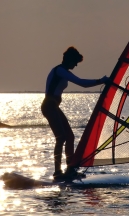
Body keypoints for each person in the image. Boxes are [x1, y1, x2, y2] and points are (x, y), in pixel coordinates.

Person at [42, 46, 109, 181]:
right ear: (69, 60)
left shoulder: (63, 70)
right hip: (49, 106)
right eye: (75, 62)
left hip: (53, 106)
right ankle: (57, 172)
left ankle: (70, 169)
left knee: (70, 137)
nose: (76, 65)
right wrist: (101, 81)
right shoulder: (60, 70)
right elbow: (81, 83)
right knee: (61, 138)